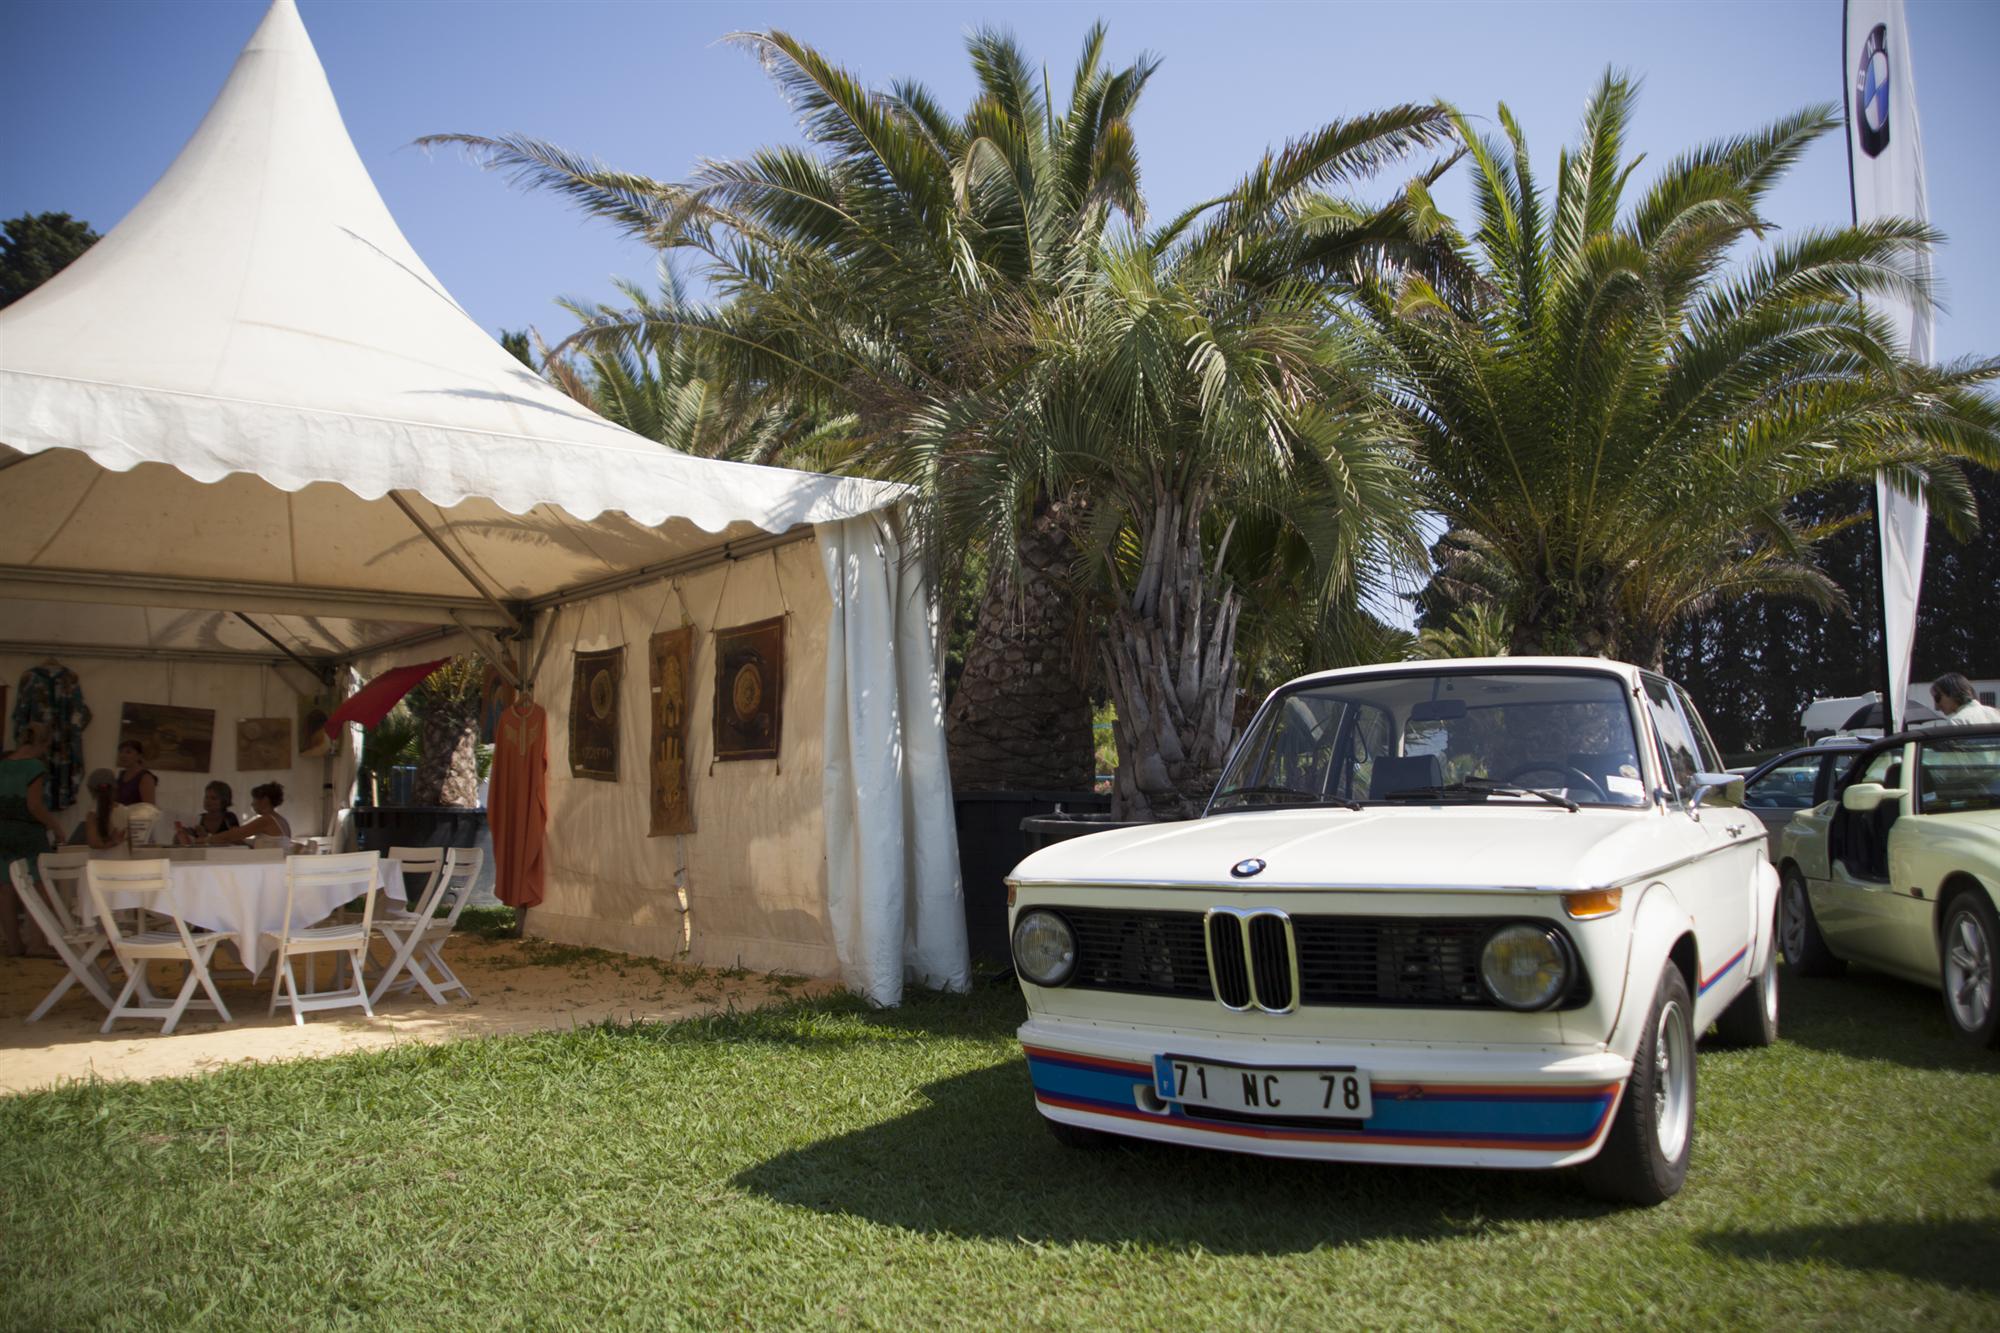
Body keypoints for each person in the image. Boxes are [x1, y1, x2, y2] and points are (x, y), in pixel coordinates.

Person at [0, 722, 70, 955]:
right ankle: (36, 943)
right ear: (44, 743)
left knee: (5, 888)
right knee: (39, 886)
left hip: (2, 830)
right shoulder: (34, 766)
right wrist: (56, 826)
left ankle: (14, 944)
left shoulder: (3, 763)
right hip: (27, 832)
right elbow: (34, 805)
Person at [191, 781, 291, 846]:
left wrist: (207, 839)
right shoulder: (282, 820)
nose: (252, 804)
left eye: (254, 800)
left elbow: (235, 834)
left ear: (264, 800)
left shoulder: (267, 820)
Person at [68, 768, 130, 850]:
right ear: (115, 788)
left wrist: (114, 842)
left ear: (91, 790)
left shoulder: (92, 814)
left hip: (99, 861)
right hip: (125, 861)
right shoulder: (125, 811)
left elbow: (94, 843)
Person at [175, 780, 240, 844]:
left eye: (213, 798)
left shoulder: (229, 818)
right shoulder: (199, 818)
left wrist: (206, 836)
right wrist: (182, 834)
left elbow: (237, 840)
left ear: (224, 801)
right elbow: (188, 844)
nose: (208, 801)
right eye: (206, 797)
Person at [1930, 673, 2000, 727]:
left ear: (1953, 693)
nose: (1936, 707)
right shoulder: (1997, 714)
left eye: (1937, 698)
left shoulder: (1957, 722)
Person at [114, 739, 158, 807]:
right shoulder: (122, 774)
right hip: (119, 816)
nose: (123, 755)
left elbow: (149, 809)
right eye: (121, 752)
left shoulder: (145, 777)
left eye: (128, 752)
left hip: (135, 817)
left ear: (139, 756)